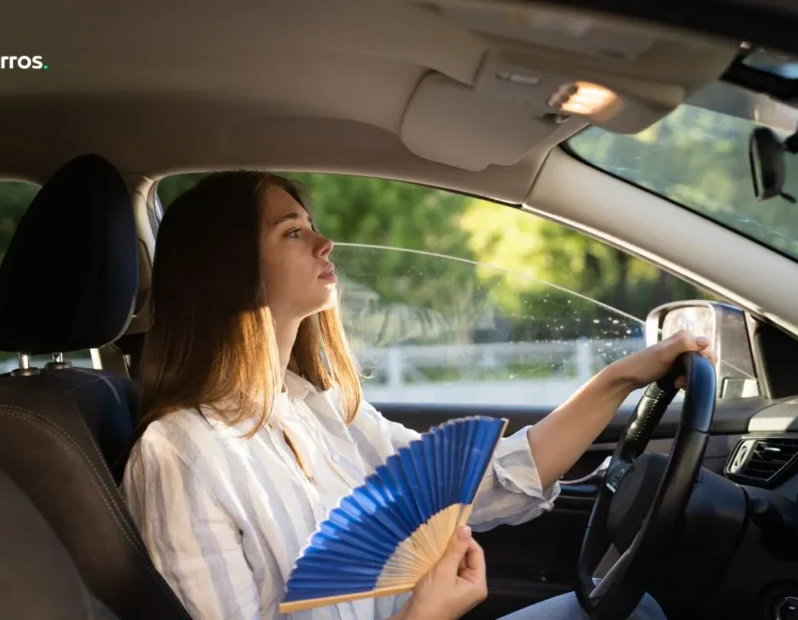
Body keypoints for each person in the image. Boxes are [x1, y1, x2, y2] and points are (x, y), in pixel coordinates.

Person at [121, 171, 714, 620]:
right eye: (294, 232)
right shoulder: (179, 454)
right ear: (230, 271)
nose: (326, 243)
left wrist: (625, 377)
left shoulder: (319, 409)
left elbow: (486, 482)